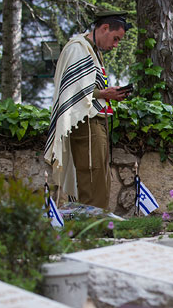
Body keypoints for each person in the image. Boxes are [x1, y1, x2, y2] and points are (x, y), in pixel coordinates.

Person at [44, 11, 133, 210]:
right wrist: (104, 94)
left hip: (94, 122)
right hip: (85, 123)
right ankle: (92, 228)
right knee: (92, 176)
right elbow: (72, 91)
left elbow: (85, 90)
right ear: (104, 28)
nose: (115, 45)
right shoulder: (78, 49)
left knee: (99, 177)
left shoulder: (92, 52)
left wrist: (109, 94)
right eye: (115, 38)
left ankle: (96, 224)